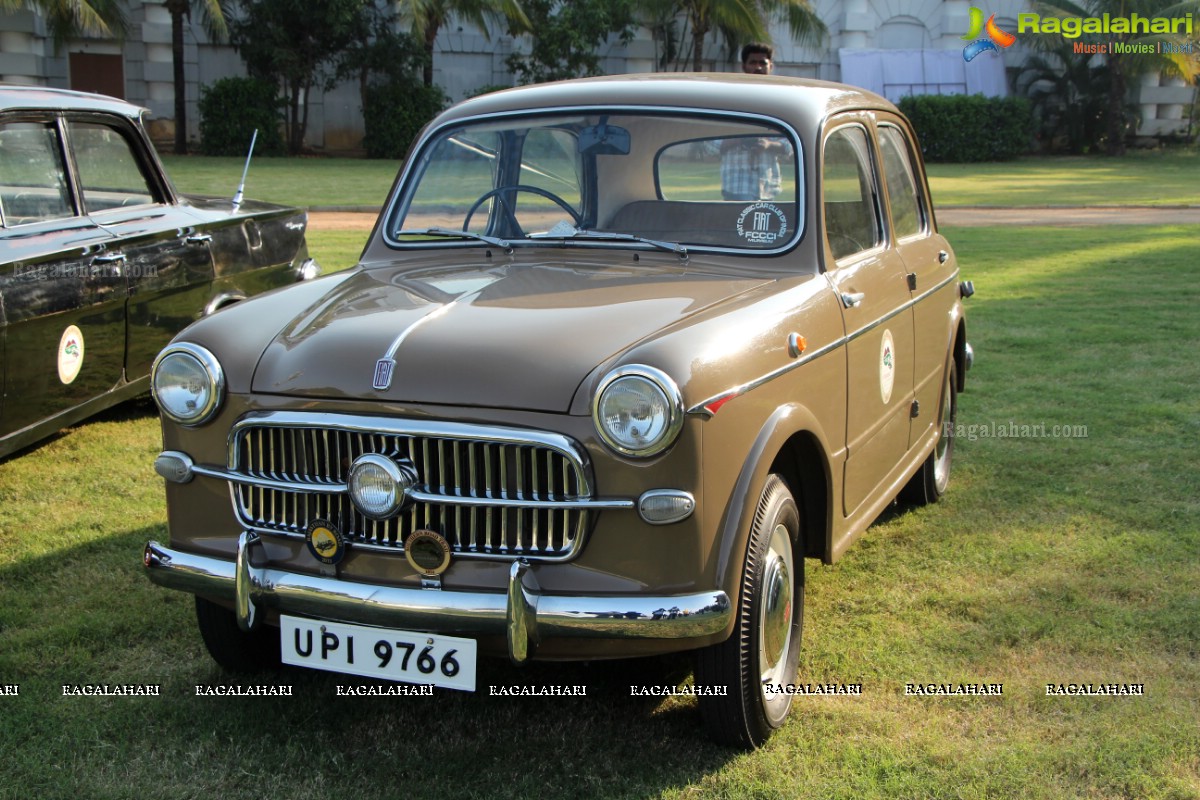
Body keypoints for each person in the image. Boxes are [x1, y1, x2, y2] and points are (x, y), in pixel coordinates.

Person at [721, 43, 790, 201]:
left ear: (770, 66)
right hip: (736, 187)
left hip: (767, 187)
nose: (758, 67)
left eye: (762, 63)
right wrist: (739, 140)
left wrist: (768, 145)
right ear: (744, 66)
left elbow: (791, 144)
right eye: (753, 62)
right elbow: (710, 145)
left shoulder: (781, 103)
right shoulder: (728, 101)